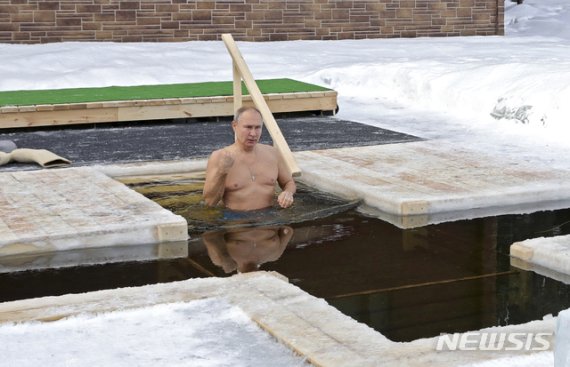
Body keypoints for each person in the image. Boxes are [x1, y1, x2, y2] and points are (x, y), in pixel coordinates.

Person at [203, 106, 296, 211]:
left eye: (257, 127)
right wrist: (222, 172)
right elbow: (209, 202)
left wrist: (288, 193)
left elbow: (289, 182)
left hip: (269, 217)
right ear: (234, 126)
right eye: (248, 127)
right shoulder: (219, 157)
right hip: (237, 220)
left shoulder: (273, 153)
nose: (253, 134)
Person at [202, 226, 294, 273]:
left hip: (237, 214)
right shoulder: (274, 255)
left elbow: (209, 236)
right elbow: (288, 231)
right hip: (268, 213)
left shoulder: (220, 260)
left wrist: (225, 256)